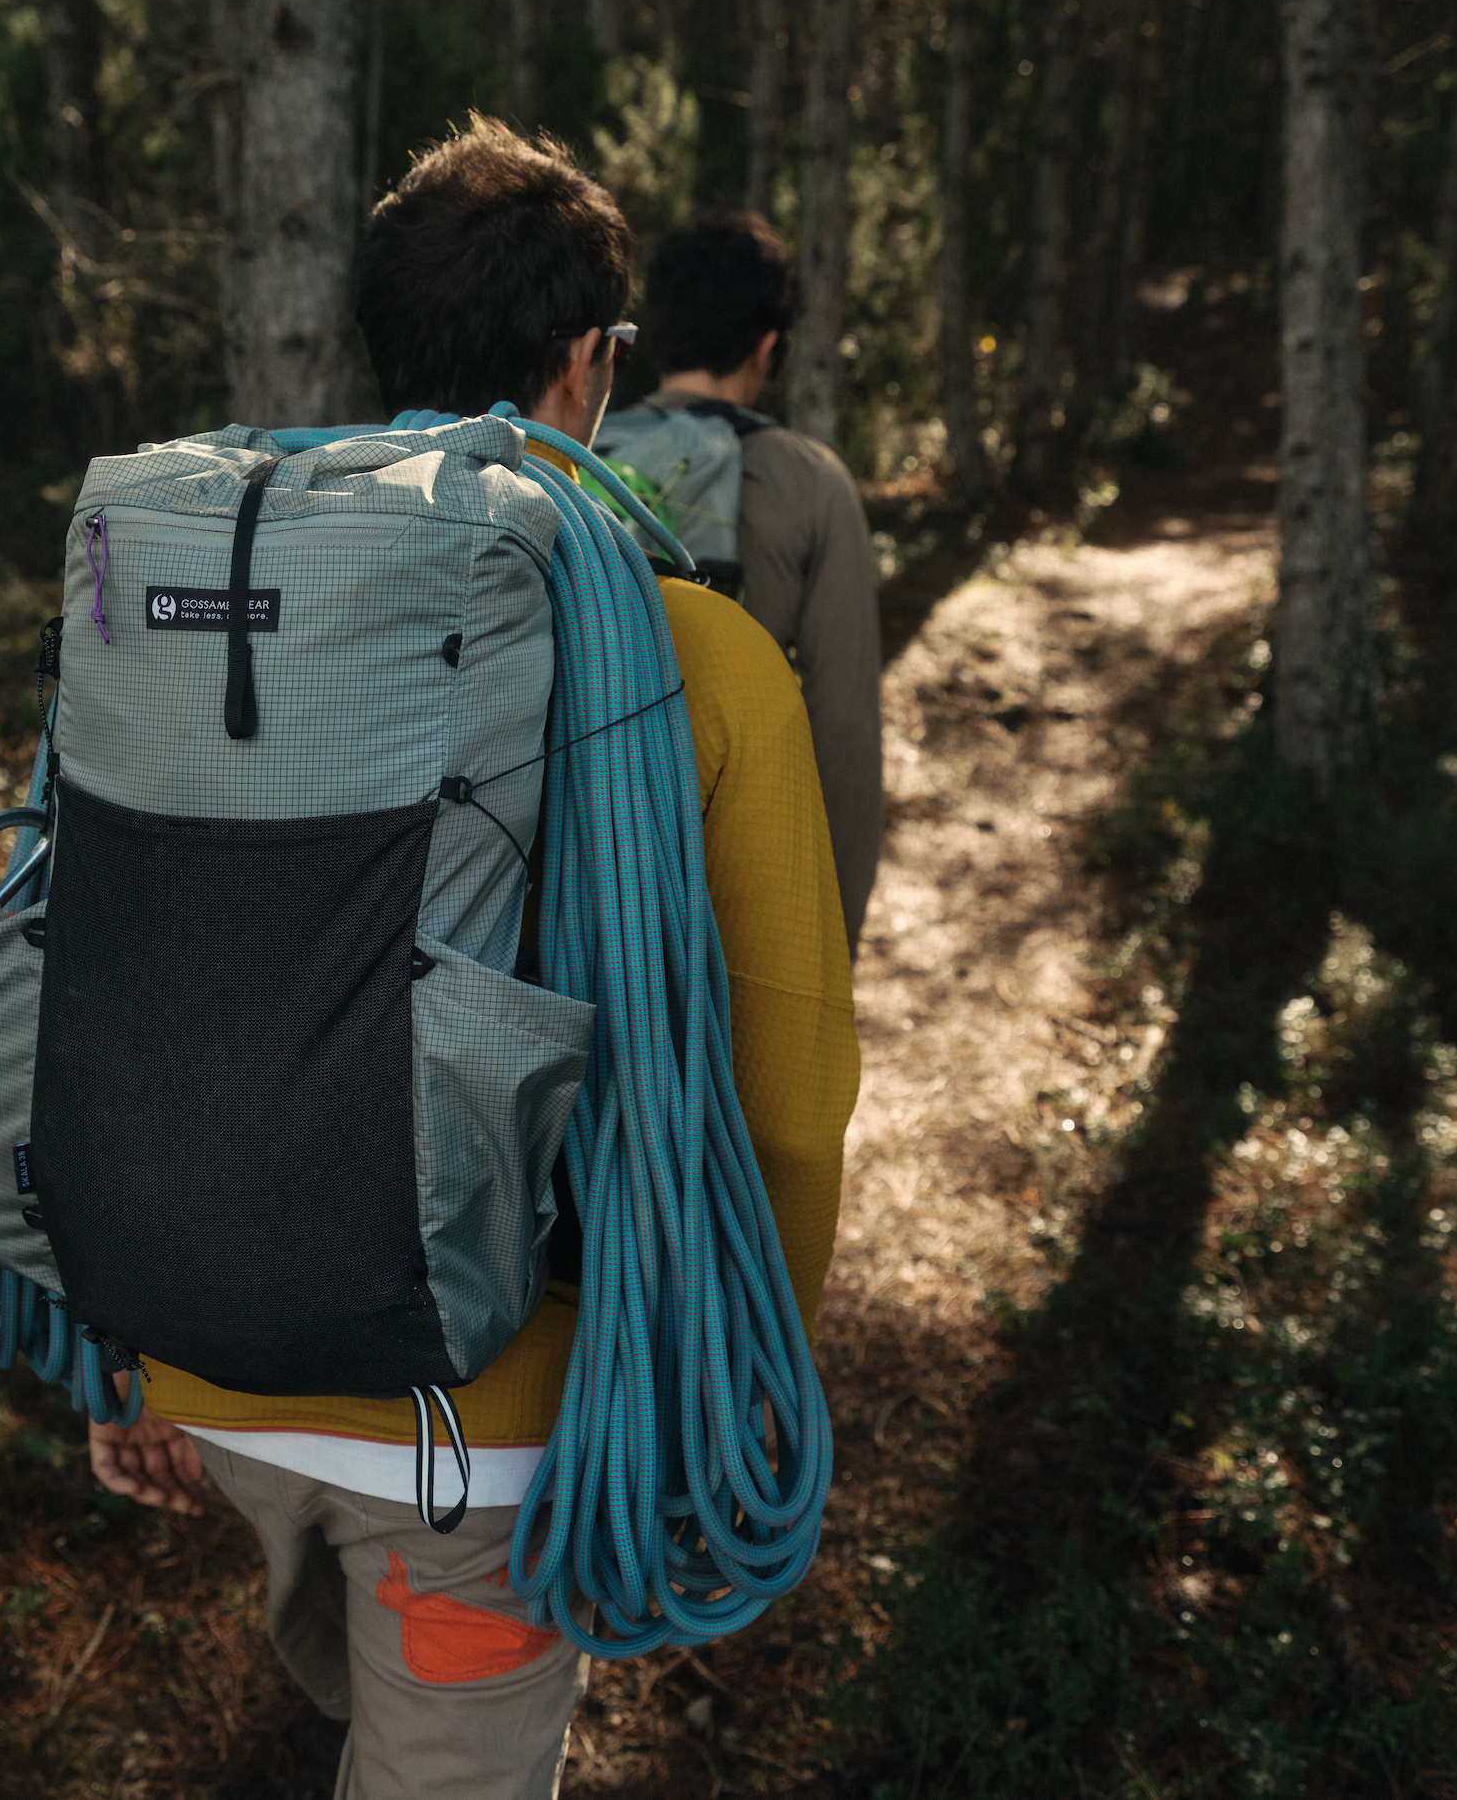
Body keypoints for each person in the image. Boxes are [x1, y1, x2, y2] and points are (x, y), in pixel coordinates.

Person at [80, 117, 858, 1800]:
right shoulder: (697, 655)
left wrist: (132, 1346)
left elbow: (116, 978)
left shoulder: (222, 608)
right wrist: (733, 1378)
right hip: (479, 1427)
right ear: (590, 360)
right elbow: (790, 1103)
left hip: (212, 1360)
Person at [610, 211, 883, 954]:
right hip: (736, 905)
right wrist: (834, 945)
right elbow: (844, 731)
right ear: (767, 348)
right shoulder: (811, 482)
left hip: (586, 898)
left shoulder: (580, 458)